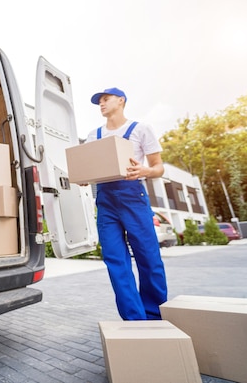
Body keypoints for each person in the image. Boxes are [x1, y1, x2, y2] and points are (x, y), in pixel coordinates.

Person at [86, 87, 167, 321]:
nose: (101, 104)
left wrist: (146, 170)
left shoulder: (140, 129)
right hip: (105, 199)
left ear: (120, 101)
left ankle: (154, 315)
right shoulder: (95, 135)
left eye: (105, 99)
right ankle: (134, 319)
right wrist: (85, 178)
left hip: (133, 196)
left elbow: (158, 167)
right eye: (99, 101)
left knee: (148, 257)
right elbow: (92, 167)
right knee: (115, 260)